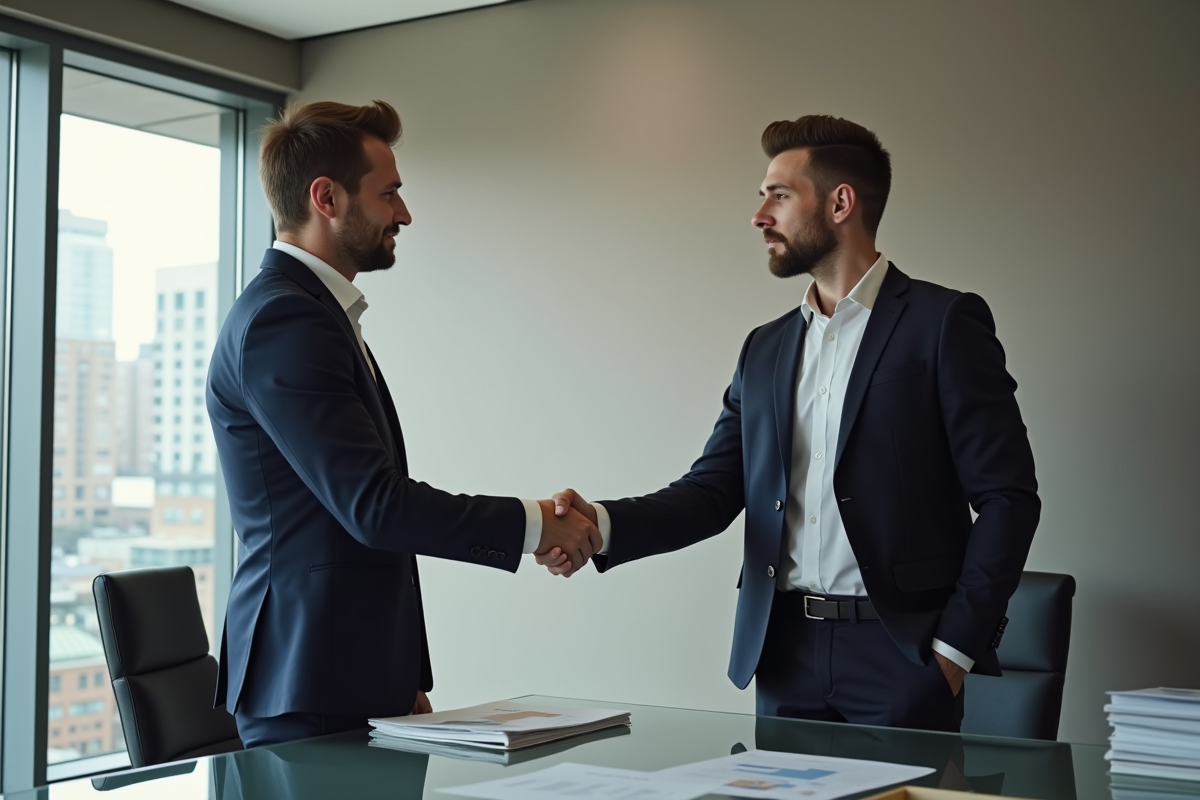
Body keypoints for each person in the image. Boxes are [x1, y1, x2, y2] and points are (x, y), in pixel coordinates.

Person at [541, 115, 1039, 732]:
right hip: (782, 655)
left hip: (902, 656)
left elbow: (1007, 497)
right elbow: (711, 491)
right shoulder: (765, 348)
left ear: (839, 203)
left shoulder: (943, 325)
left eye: (778, 195)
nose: (759, 216)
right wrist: (601, 524)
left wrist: (953, 652)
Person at [207, 100, 601, 747]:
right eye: (389, 193)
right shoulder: (287, 321)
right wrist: (535, 525)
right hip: (309, 682)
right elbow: (375, 506)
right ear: (326, 197)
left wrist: (396, 672)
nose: (404, 213)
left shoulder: (315, 315)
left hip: (344, 675)